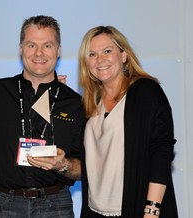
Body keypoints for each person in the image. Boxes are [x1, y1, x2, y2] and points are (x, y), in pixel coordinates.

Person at [0, 15, 86, 218]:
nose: (39, 53)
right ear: (21, 48)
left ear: (58, 50)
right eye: (31, 45)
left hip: (55, 206)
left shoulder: (75, 104)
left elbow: (86, 169)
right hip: (1, 205)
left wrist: (63, 165)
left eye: (47, 45)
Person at [78, 26, 178, 217]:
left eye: (107, 51)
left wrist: (152, 210)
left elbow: (162, 152)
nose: (100, 59)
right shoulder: (90, 104)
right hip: (94, 211)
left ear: (123, 55)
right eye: (92, 54)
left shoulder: (146, 92)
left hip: (138, 209)